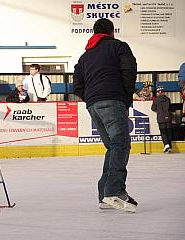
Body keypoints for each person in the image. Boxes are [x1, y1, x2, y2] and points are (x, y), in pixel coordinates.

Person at [73, 18, 138, 212]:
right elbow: (129, 72)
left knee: (112, 146)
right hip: (113, 99)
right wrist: (125, 98)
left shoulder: (85, 56)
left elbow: (76, 84)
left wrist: (91, 98)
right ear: (111, 32)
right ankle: (114, 191)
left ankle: (104, 195)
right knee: (120, 144)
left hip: (93, 104)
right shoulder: (119, 47)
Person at [151, 86, 173, 153]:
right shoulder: (168, 99)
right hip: (168, 118)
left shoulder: (156, 100)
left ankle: (166, 144)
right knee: (168, 132)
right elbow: (170, 108)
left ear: (158, 92)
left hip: (161, 118)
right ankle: (169, 146)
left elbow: (153, 108)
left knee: (163, 132)